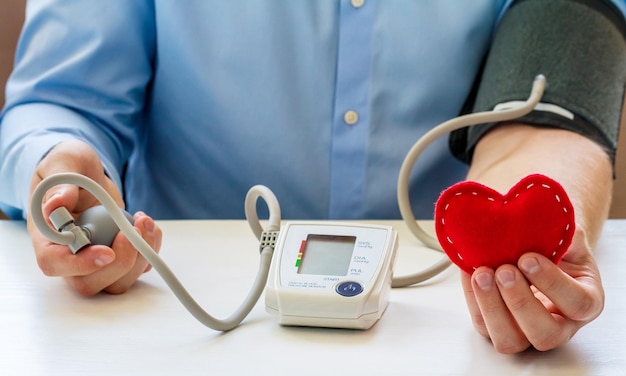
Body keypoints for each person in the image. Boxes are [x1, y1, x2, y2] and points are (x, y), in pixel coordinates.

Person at [1, 0, 625, 353]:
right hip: (165, 319)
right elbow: (61, 102)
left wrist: (529, 244)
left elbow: (552, 101)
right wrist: (61, 169)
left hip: (447, 326)